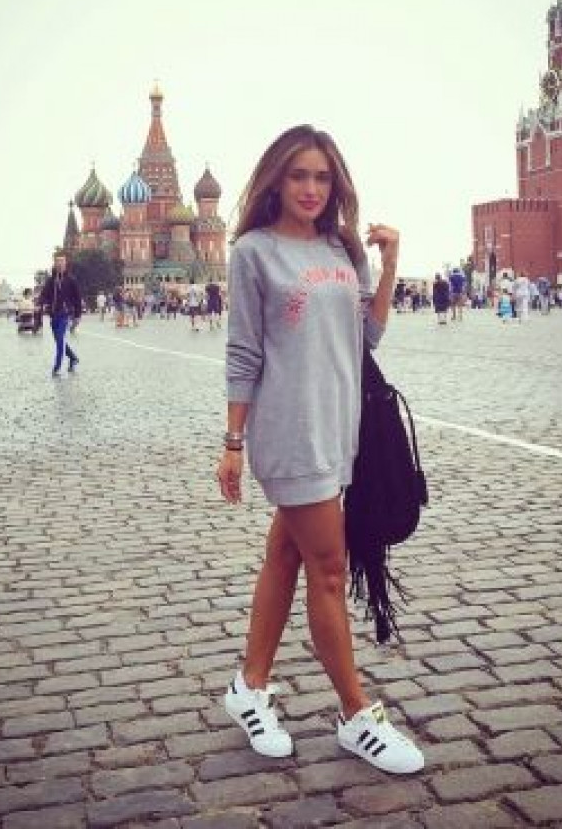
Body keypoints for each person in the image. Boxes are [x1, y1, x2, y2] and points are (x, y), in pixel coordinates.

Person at [216, 124, 424, 775]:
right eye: (299, 175)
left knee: (286, 555)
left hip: (339, 431)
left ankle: (249, 687)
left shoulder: (342, 247)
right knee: (329, 572)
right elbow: (244, 352)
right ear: (276, 180)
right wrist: (232, 442)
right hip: (289, 433)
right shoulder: (253, 253)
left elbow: (369, 336)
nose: (311, 188)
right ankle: (357, 716)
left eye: (322, 177)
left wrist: (389, 264)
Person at [39, 254, 82, 376]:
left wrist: (77, 316)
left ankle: (56, 367)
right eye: (57, 262)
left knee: (59, 341)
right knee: (59, 341)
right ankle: (73, 358)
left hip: (65, 314)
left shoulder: (71, 280)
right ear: (54, 264)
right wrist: (40, 303)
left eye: (62, 262)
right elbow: (44, 294)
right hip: (53, 315)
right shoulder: (51, 280)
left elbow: (78, 299)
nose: (59, 264)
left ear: (65, 264)